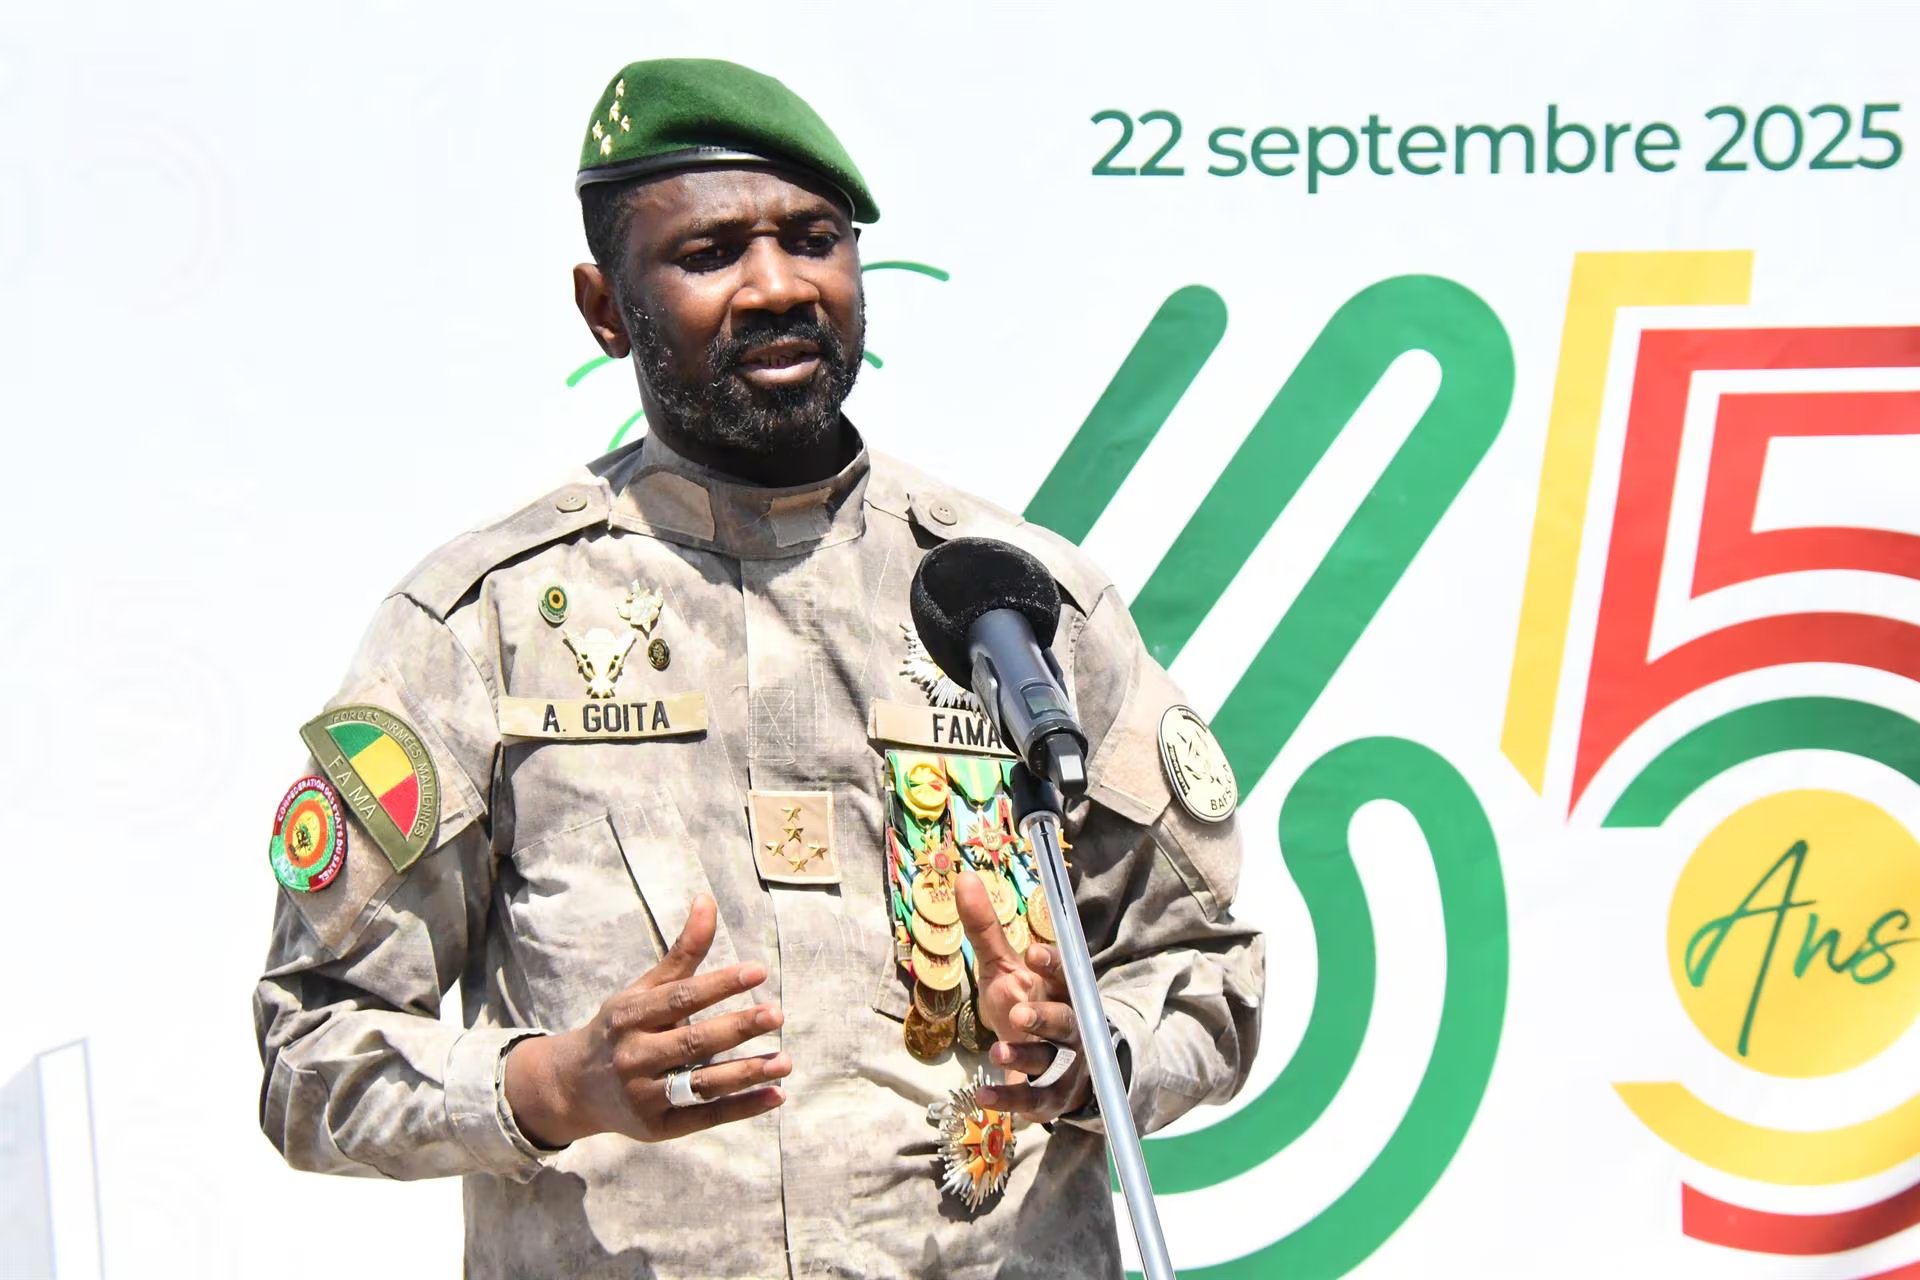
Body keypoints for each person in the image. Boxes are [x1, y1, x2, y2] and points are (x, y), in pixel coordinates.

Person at [253, 56, 1264, 1279]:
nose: (778, 286)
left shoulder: (1008, 599)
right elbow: (311, 1052)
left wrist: (1084, 1048)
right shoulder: (484, 622)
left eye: (814, 240)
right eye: (710, 253)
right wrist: (551, 1085)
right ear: (605, 308)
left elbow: (1207, 969)